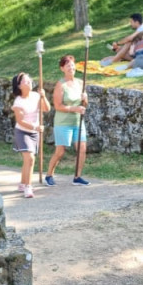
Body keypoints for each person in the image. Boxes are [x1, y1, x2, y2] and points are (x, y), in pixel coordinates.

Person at [44, 54, 89, 186]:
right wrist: (74, 108)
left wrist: (85, 99)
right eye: (68, 65)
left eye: (73, 65)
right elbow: (58, 106)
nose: (71, 67)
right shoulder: (60, 84)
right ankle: (49, 175)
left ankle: (77, 176)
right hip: (63, 122)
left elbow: (84, 105)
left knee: (82, 149)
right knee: (60, 151)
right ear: (62, 68)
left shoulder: (81, 83)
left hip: (78, 122)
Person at [11, 72, 50, 198]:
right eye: (25, 81)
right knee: (30, 158)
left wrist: (43, 97)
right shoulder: (18, 102)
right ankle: (28, 186)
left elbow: (46, 109)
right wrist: (35, 127)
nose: (29, 82)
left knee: (27, 159)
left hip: (34, 132)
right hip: (22, 132)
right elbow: (20, 121)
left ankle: (22, 183)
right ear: (19, 86)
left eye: (30, 80)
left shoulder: (36, 96)